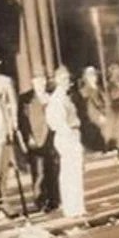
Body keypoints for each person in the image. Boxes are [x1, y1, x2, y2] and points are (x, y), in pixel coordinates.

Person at [46, 66, 85, 218]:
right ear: (56, 80)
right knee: (71, 172)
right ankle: (73, 208)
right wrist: (69, 134)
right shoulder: (57, 99)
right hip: (67, 136)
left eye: (68, 79)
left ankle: (76, 206)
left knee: (74, 172)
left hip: (71, 134)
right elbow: (57, 121)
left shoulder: (64, 97)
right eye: (63, 79)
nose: (67, 82)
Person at [21, 71, 59, 213]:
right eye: (38, 82)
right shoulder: (26, 99)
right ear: (33, 83)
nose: (41, 84)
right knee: (39, 171)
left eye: (43, 81)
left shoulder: (50, 97)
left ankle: (54, 200)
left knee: (53, 169)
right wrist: (27, 137)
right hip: (35, 139)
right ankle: (41, 201)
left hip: (51, 138)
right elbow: (23, 121)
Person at [78, 65, 109, 153]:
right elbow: (89, 108)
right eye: (90, 75)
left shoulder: (99, 89)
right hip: (92, 118)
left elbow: (105, 102)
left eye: (94, 75)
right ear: (86, 78)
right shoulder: (84, 91)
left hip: (102, 115)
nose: (94, 77)